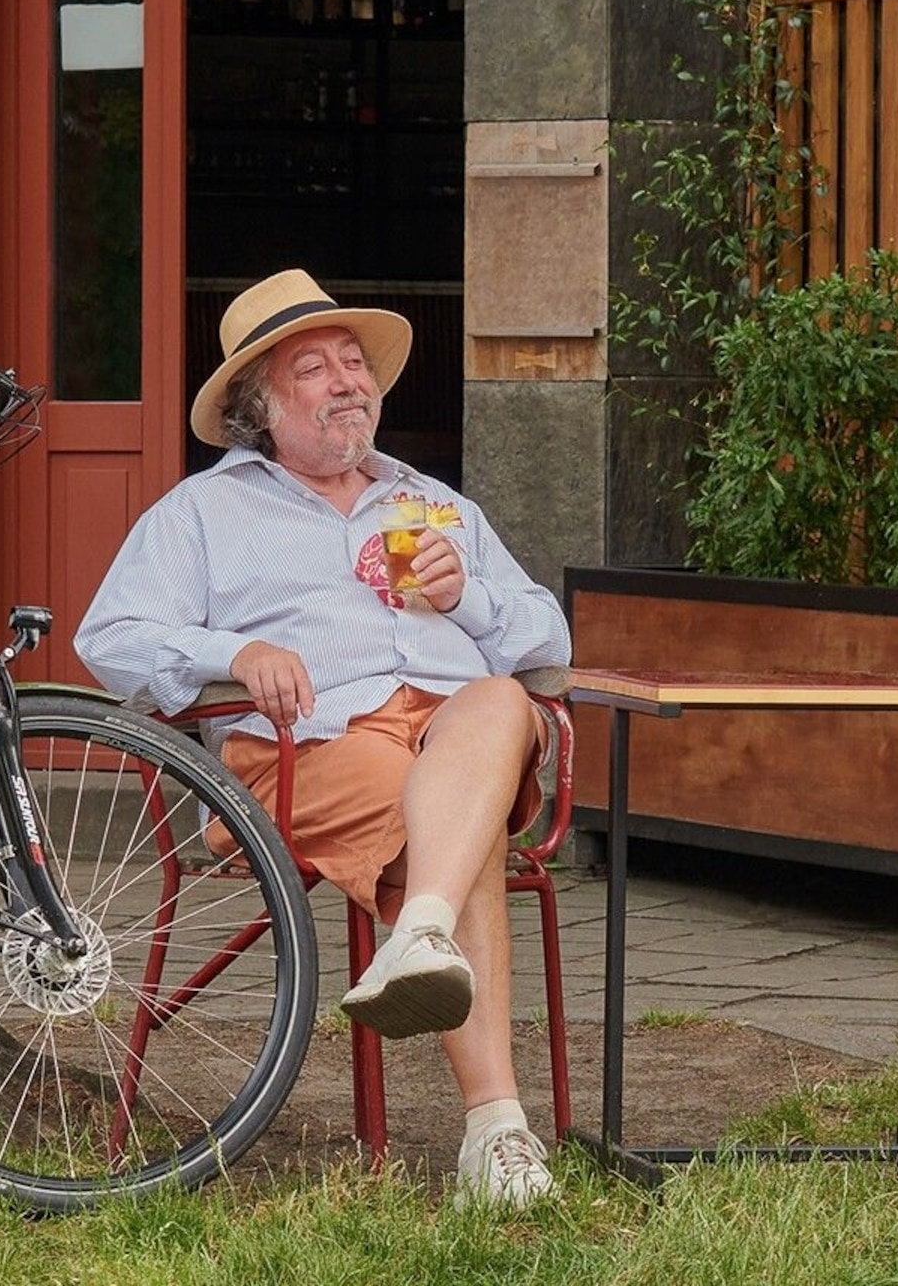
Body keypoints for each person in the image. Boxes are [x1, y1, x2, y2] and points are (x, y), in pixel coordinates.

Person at [75, 269, 573, 1206]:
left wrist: (465, 594)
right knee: (455, 838)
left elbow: (549, 639)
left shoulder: (432, 505)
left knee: (503, 702)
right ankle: (497, 1133)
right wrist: (236, 650)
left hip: (454, 735)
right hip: (305, 752)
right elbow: (112, 638)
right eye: (316, 368)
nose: (349, 381)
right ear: (261, 405)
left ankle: (419, 932)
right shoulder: (204, 515)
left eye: (356, 364)